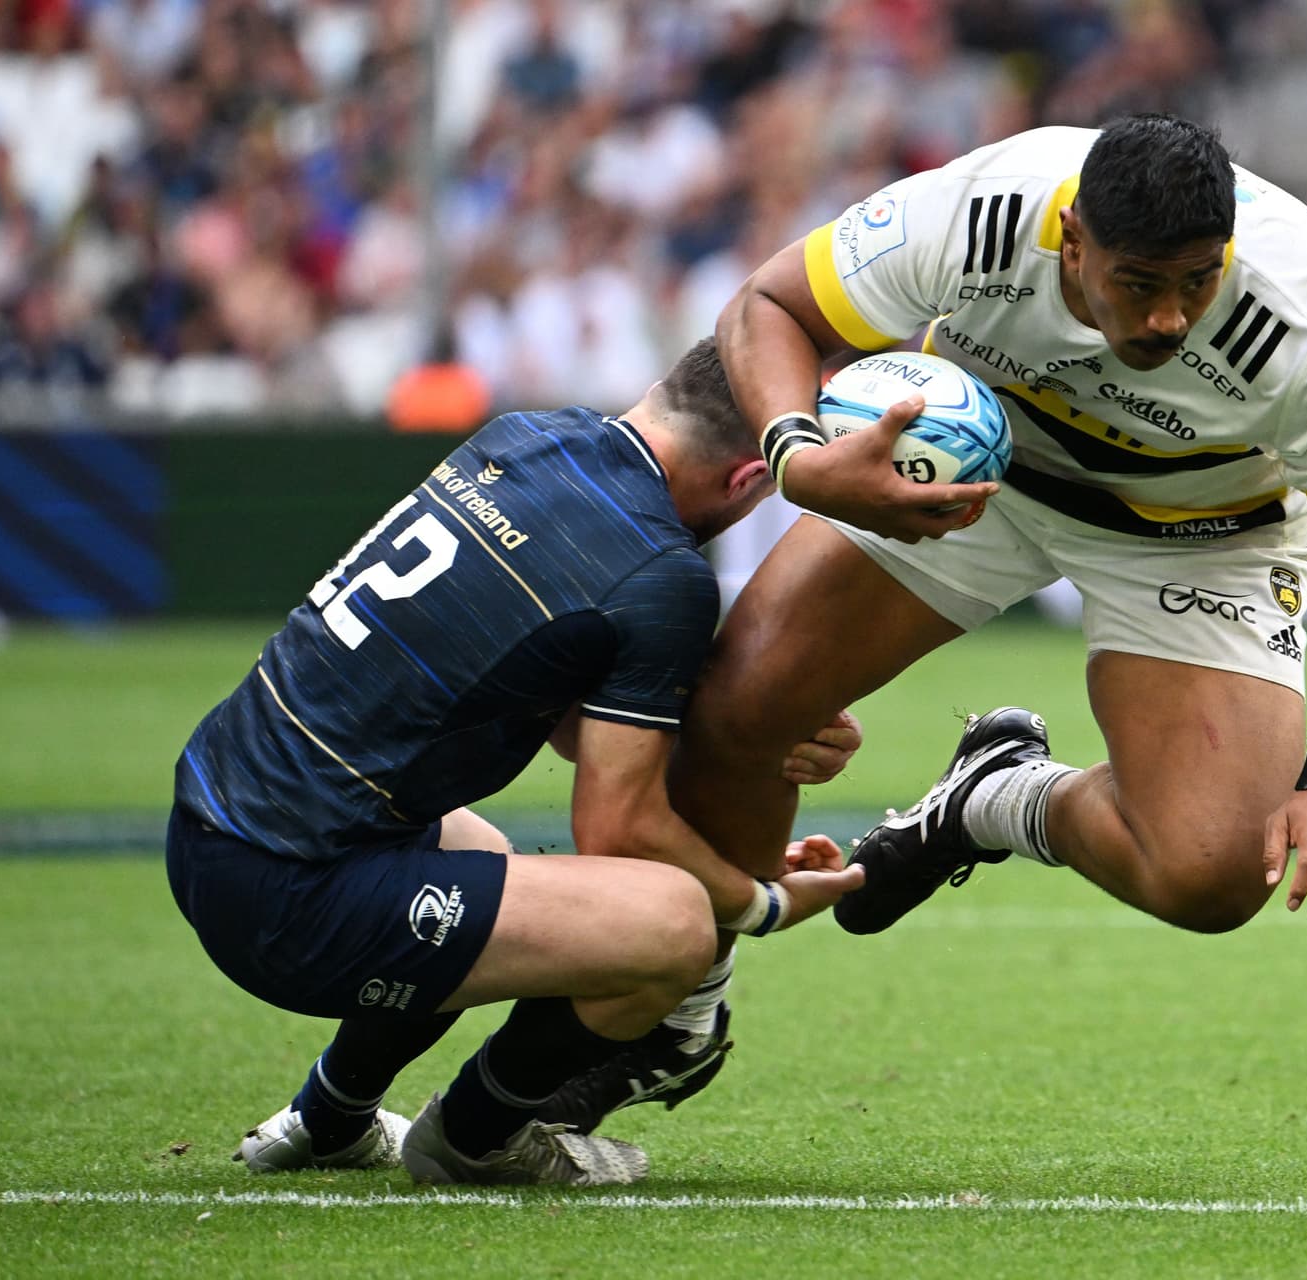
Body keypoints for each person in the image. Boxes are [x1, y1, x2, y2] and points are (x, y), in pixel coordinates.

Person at [666, 114, 1307, 944]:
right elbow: (770, 302)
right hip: (975, 465)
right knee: (738, 709)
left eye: (1198, 281)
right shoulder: (984, 206)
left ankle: (995, 797)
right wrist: (799, 460)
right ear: (1073, 241)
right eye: (1142, 283)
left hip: (1204, 529)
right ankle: (682, 1005)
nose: (1169, 319)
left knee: (1212, 875)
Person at [167, 339, 866, 1185]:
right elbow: (618, 829)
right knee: (675, 923)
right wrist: (760, 902)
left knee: (482, 861)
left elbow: (562, 704)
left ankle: (328, 1121)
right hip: (289, 897)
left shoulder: (526, 436)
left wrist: (752, 735)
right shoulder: (660, 571)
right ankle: (473, 1138)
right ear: (752, 479)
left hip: (211, 815)